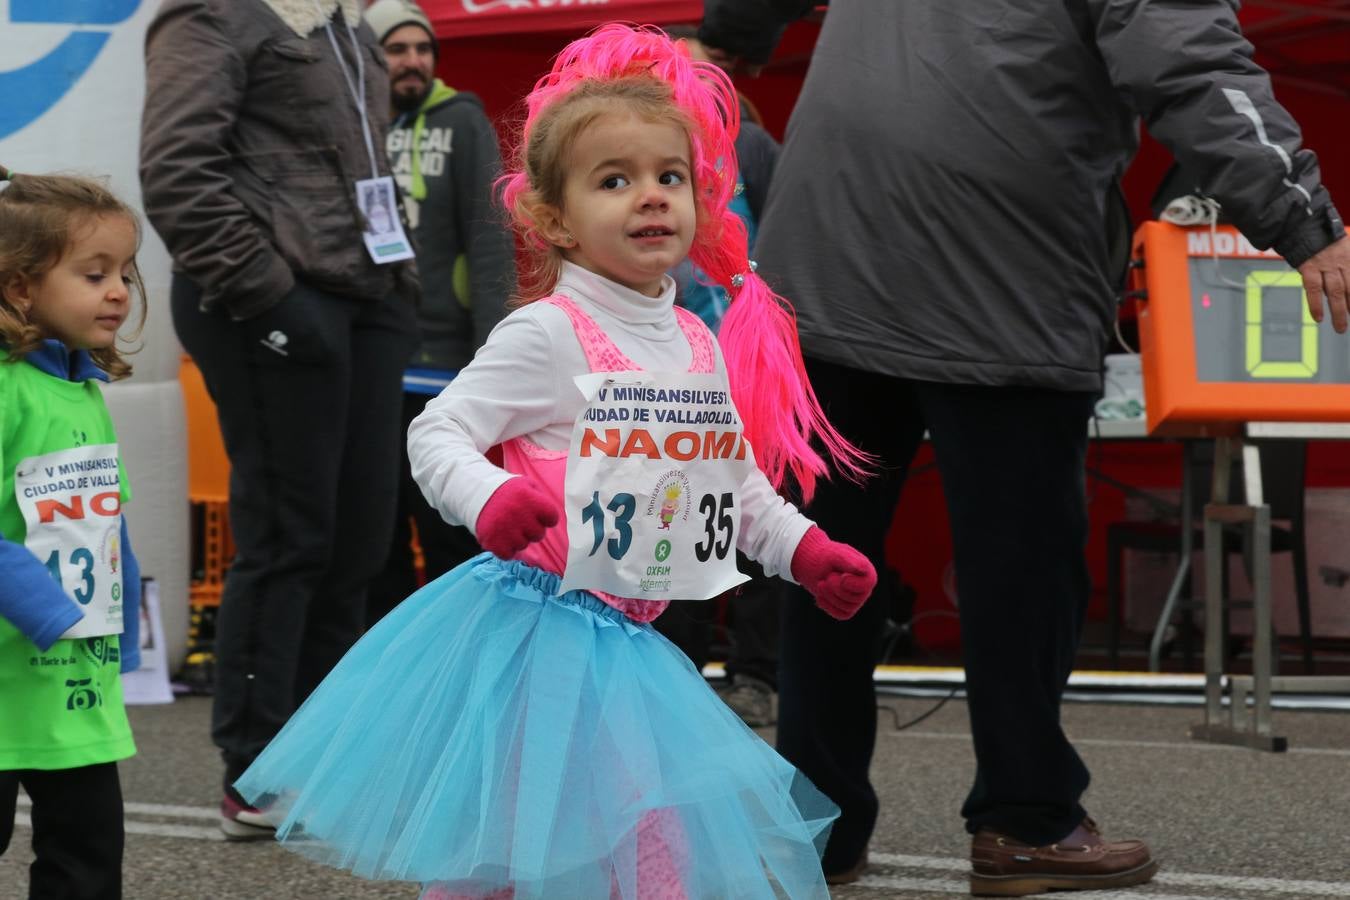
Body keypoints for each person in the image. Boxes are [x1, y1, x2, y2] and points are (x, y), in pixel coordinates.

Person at [697, 0, 1350, 894]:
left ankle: (815, 827)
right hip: (999, 270)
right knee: (1020, 571)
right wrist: (1303, 216)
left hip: (829, 252)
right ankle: (1025, 821)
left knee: (824, 561)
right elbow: (1193, 67)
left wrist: (737, 33)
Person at [234, 25, 877, 898]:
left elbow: (730, 483)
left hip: (635, 648)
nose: (650, 197)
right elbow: (437, 432)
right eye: (614, 180)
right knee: (558, 855)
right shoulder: (547, 333)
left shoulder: (696, 337)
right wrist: (492, 499)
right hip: (542, 637)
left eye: (669, 177)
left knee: (601, 851)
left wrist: (803, 550)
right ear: (552, 219)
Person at [138, 0, 420, 840]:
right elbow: (177, 173)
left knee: (359, 540)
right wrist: (272, 297)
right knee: (291, 535)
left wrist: (395, 291)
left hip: (363, 299)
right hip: (274, 299)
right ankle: (255, 770)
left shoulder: (349, 23)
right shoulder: (211, 12)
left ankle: (327, 760)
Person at [0, 167, 145, 900]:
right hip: (9, 672)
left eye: (123, 272)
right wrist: (53, 611)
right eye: (93, 274)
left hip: (70, 682)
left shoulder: (83, 385)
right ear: (20, 287)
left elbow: (102, 517)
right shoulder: (6, 387)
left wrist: (119, 627)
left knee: (87, 859)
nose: (118, 290)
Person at [363, 0, 517, 626]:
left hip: (448, 362)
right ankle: (394, 661)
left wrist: (491, 354)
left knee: (450, 522)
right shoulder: (356, 124)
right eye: (397, 50)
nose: (413, 61)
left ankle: (465, 646)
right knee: (379, 528)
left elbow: (490, 244)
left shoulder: (462, 121)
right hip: (375, 360)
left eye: (423, 49)